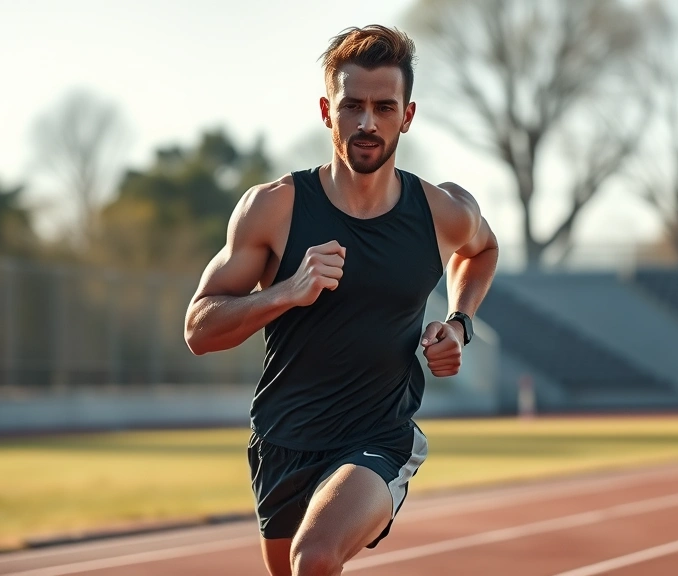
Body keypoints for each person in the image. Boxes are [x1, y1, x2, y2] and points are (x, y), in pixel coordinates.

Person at [184, 24, 498, 576]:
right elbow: (199, 329)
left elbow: (483, 249)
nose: (367, 123)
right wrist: (286, 292)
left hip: (378, 435)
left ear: (408, 115)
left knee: (317, 557)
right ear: (328, 111)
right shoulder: (273, 209)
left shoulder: (440, 211)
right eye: (352, 105)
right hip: (283, 440)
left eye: (384, 107)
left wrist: (458, 322)